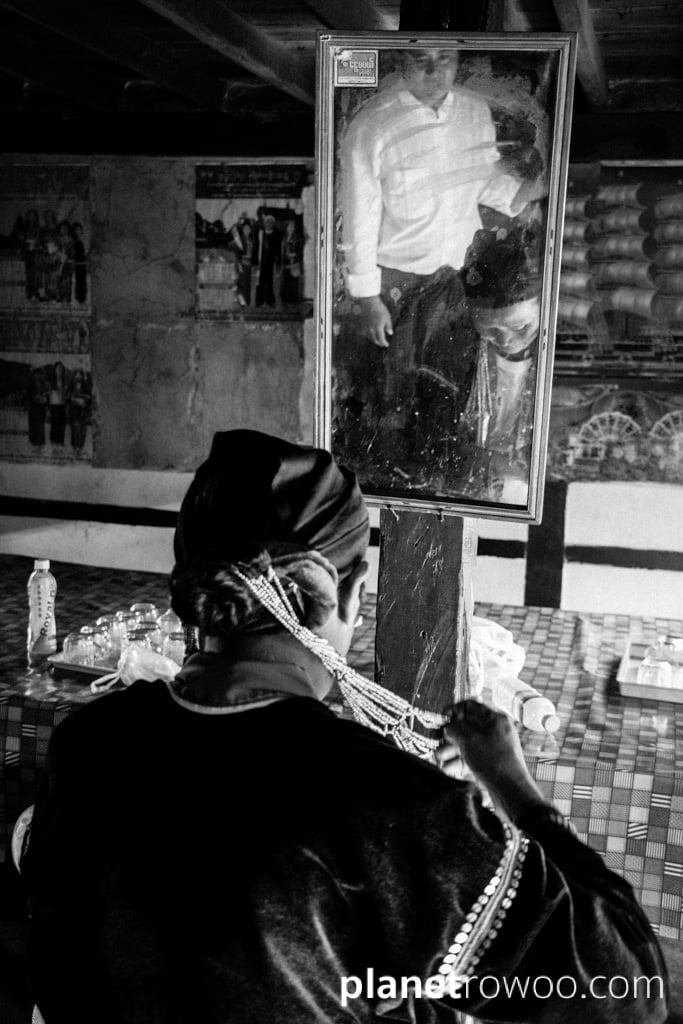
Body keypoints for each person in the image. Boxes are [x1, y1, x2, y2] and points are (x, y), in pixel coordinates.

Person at [21, 430, 668, 1024]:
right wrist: (511, 785)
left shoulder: (88, 744)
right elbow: (628, 992)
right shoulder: (389, 806)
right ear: (354, 593)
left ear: (196, 592)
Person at [337, 47, 545, 479]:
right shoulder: (372, 124)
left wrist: (525, 192)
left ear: (457, 61)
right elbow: (359, 214)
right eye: (422, 60)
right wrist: (368, 297)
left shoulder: (472, 111)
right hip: (393, 283)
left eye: (444, 59)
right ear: (403, 62)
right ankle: (386, 474)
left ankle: (435, 473)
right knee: (390, 390)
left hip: (451, 277)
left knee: (443, 383)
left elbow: (482, 182)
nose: (434, 70)